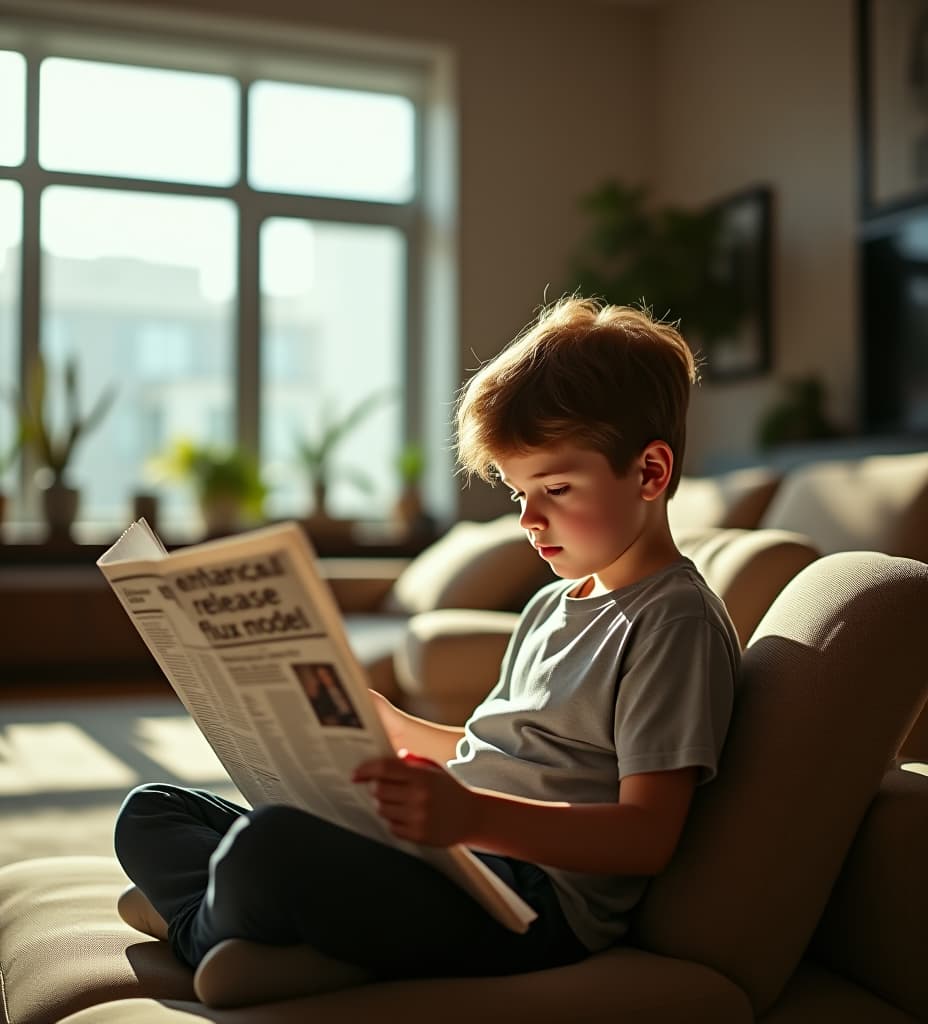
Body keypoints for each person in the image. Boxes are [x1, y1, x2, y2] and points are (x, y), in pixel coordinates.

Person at [113, 296, 740, 1008]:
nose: (531, 521)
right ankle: (243, 933)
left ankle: (202, 927)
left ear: (650, 474)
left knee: (270, 847)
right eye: (518, 492)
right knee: (153, 809)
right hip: (457, 860)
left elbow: (646, 836)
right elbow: (507, 753)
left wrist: (470, 820)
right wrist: (405, 733)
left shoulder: (672, 623)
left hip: (535, 905)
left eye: (557, 489)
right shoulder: (550, 603)